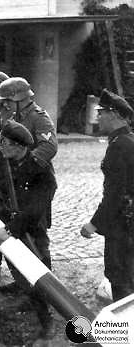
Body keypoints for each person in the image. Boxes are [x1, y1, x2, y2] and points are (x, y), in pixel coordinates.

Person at [0, 120, 56, 339]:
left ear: (19, 146)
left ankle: (46, 320)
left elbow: (35, 209)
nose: (0, 146)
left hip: (27, 228)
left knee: (33, 272)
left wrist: (10, 231)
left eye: (5, 143)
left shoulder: (40, 169)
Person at [0, 77, 57, 294]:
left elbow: (49, 147)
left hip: (36, 182)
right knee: (16, 230)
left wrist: (25, 168)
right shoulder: (14, 117)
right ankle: (22, 281)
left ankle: (45, 288)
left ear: (19, 99)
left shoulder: (39, 118)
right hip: (17, 184)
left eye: (7, 101)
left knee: (36, 234)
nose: (5, 105)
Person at [81, 89, 134, 301]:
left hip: (123, 225)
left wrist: (93, 224)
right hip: (129, 223)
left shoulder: (119, 146)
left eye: (101, 112)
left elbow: (115, 195)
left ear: (114, 114)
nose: (98, 117)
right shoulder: (128, 140)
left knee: (120, 277)